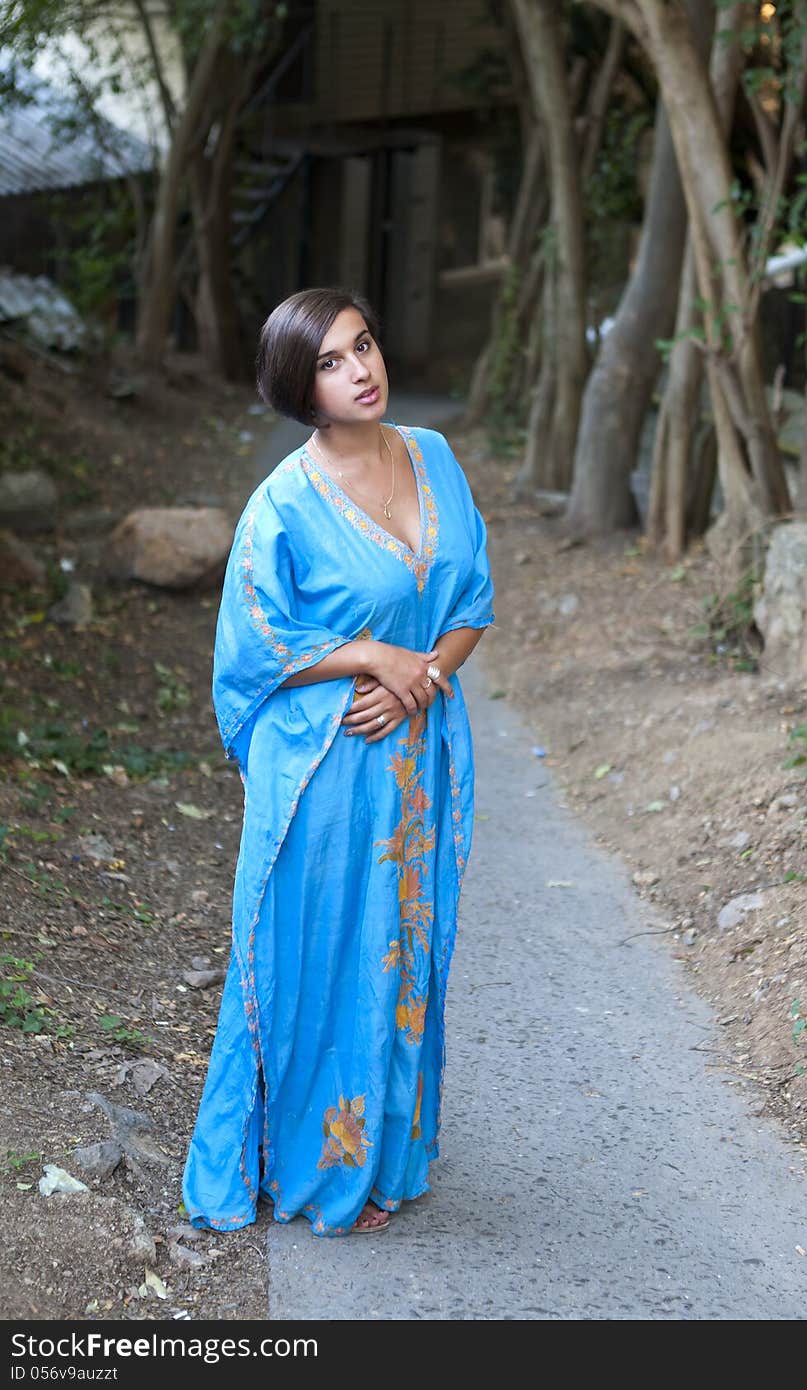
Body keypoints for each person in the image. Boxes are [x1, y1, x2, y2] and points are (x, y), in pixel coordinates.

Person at [182, 286, 495, 1236]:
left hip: (411, 760)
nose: (360, 370)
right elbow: (250, 650)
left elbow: (471, 600)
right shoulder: (281, 503)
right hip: (320, 769)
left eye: (363, 345)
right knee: (316, 955)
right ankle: (315, 1175)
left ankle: (384, 1158)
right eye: (330, 361)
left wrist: (423, 674)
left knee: (398, 952)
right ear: (299, 386)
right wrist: (370, 655)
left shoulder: (432, 457)